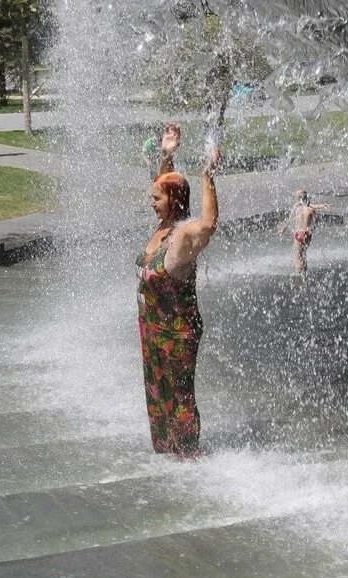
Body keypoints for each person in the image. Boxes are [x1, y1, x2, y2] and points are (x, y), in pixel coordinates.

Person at [136, 122, 220, 459]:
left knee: (180, 397)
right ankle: (168, 453)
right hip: (152, 326)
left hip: (177, 330)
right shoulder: (163, 225)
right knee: (158, 395)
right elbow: (163, 185)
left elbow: (210, 225)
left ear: (172, 201)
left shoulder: (182, 235)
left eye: (156, 199)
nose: (151, 203)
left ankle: (189, 458)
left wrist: (207, 176)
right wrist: (167, 156)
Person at [277, 189, 329, 274]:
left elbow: (289, 220)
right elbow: (313, 223)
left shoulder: (296, 209)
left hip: (298, 234)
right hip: (307, 234)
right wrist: (320, 206)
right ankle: (304, 274)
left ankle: (298, 275)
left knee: (298, 256)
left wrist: (283, 228)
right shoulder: (311, 210)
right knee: (303, 254)